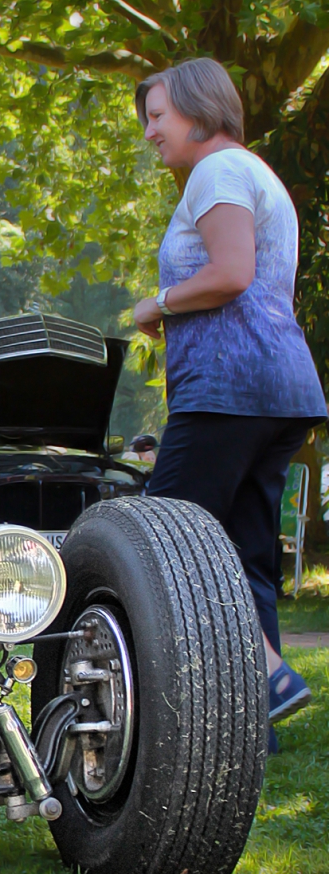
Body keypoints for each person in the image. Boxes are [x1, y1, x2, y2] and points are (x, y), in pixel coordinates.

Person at [132, 58, 326, 749]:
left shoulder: (217, 172)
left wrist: (157, 303)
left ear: (196, 109)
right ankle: (254, 732)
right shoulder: (254, 172)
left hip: (228, 390)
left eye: (157, 116)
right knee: (244, 555)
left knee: (164, 542)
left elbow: (231, 273)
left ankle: (269, 675)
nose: (151, 132)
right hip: (282, 389)